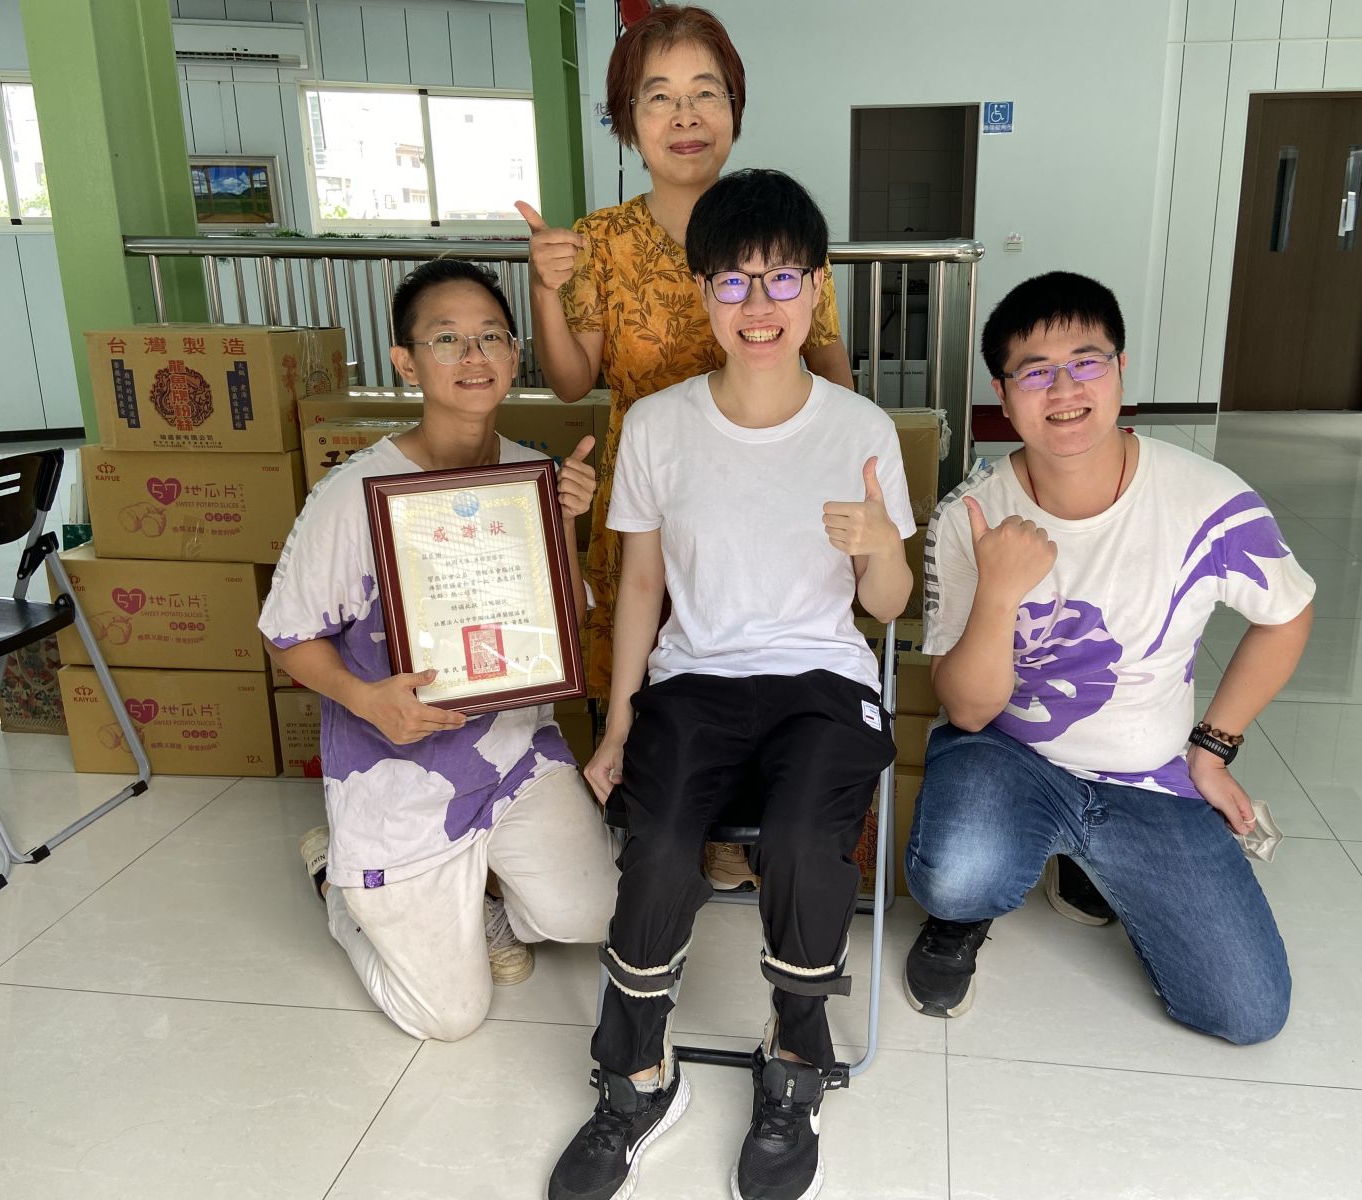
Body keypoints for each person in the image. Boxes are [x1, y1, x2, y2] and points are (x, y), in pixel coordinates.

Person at [546, 169, 913, 1200]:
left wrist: (882, 543)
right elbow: (641, 587)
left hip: (821, 680)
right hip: (696, 679)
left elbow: (885, 606)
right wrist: (617, 723)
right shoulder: (659, 425)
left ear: (817, 288)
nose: (759, 306)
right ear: (702, 290)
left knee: (800, 840)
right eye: (734, 282)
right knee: (659, 842)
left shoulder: (859, 430)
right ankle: (635, 1076)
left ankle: (795, 1053)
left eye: (782, 280)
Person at [901, 270, 1314, 1046]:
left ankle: (1087, 862)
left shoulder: (1206, 500)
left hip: (1149, 774)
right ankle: (970, 912)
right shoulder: (971, 515)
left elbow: (1287, 616)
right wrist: (999, 593)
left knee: (1247, 1010)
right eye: (1035, 372)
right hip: (1008, 755)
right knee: (958, 875)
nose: (1064, 390)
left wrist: (1213, 749)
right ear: (1003, 394)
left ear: (1121, 369)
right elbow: (968, 709)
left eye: (1086, 362)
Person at [520, 6, 856, 894]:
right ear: (628, 121)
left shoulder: (777, 235)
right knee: (650, 664)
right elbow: (571, 380)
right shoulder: (601, 242)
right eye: (659, 97)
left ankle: (740, 827)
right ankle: (662, 825)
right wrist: (546, 291)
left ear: (735, 109)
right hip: (651, 498)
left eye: (706, 92)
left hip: (764, 500)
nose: (685, 116)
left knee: (750, 658)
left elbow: (835, 379)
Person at [260, 260, 619, 1042]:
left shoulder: (532, 475)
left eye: (491, 336)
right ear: (405, 362)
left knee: (594, 915)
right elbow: (287, 636)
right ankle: (339, 888)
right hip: (398, 771)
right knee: (448, 1017)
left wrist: (564, 525)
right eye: (447, 339)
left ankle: (478, 889)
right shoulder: (352, 495)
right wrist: (365, 699)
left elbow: (560, 625)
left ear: (515, 352)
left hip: (514, 755)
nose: (473, 355)